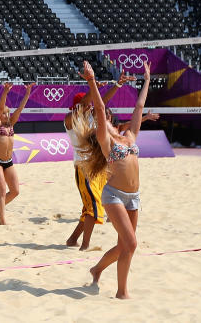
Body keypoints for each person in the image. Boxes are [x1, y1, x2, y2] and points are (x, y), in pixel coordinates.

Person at [76, 60, 151, 299]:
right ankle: (122, 292)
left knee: (124, 246)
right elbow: (99, 109)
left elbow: (138, 107)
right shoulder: (105, 141)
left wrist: (147, 80)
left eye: (108, 117)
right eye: (103, 118)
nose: (106, 117)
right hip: (115, 196)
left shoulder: (129, 135)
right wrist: (91, 80)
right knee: (131, 244)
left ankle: (97, 269)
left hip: (134, 197)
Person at [64, 76, 131, 250]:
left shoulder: (91, 116)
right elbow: (86, 102)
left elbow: (103, 102)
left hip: (98, 166)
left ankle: (72, 239)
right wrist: (91, 86)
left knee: (91, 207)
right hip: (84, 166)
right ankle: (85, 245)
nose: (90, 106)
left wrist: (117, 84)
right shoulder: (70, 119)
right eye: (87, 104)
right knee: (93, 208)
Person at [0, 82, 34, 225]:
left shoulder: (11, 124)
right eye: (4, 113)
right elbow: (1, 108)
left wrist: (27, 93)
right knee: (2, 191)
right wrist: (5, 92)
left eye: (8, 112)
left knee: (15, 191)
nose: (7, 114)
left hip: (8, 161)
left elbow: (20, 109)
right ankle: (2, 220)